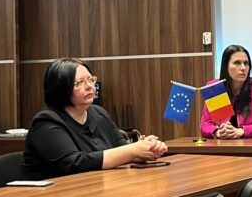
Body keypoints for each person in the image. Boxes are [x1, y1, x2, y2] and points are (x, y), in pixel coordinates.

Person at [21, 58, 167, 179]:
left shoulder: (99, 114)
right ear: (60, 88)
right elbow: (75, 164)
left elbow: (121, 150)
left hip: (94, 188)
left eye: (91, 80)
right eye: (79, 83)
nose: (90, 86)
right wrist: (132, 150)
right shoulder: (46, 122)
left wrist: (146, 150)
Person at [200, 45, 252, 139]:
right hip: (222, 145)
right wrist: (218, 132)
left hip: (251, 145)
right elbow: (206, 125)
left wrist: (241, 131)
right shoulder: (216, 88)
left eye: (246, 63)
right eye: (237, 63)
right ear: (226, 66)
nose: (243, 68)